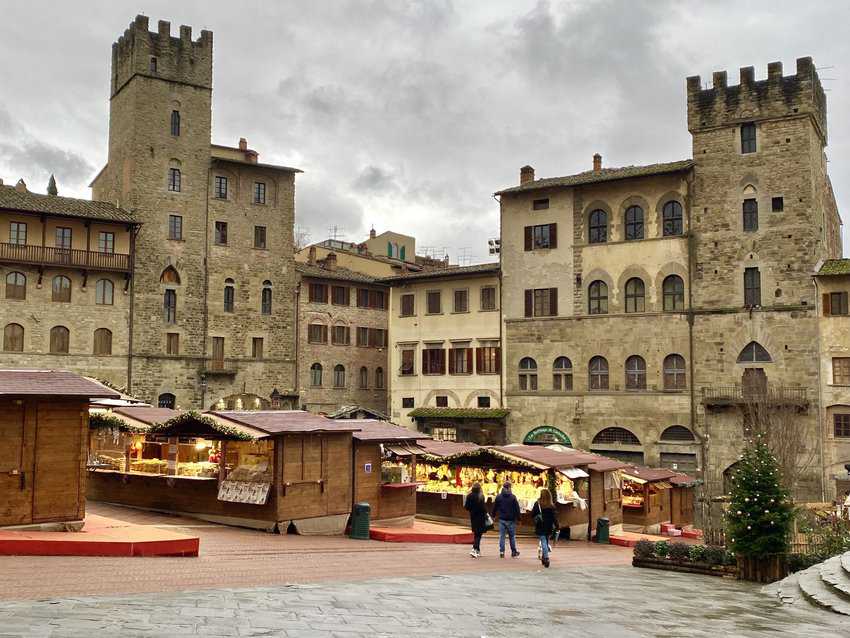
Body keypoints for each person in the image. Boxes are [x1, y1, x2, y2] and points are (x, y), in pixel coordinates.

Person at [492, 481, 521, 558]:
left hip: (502, 519)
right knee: (512, 536)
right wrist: (519, 519)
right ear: (509, 488)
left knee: (502, 536)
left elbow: (495, 507)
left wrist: (493, 515)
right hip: (511, 520)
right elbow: (517, 509)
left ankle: (502, 552)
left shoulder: (499, 497)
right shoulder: (513, 497)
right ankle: (513, 552)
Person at [531, 488, 558, 568]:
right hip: (549, 526)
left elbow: (532, 514)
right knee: (546, 540)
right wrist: (557, 526)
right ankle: (544, 557)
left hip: (541, 525)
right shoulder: (551, 505)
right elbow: (554, 517)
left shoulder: (538, 504)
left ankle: (546, 558)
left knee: (543, 541)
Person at [464, 482, 488, 558]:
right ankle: (474, 549)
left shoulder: (469, 496)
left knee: (476, 533)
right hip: (481, 517)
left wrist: (472, 509)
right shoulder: (481, 496)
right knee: (478, 534)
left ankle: (477, 550)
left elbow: (466, 507)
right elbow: (483, 508)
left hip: (473, 516)